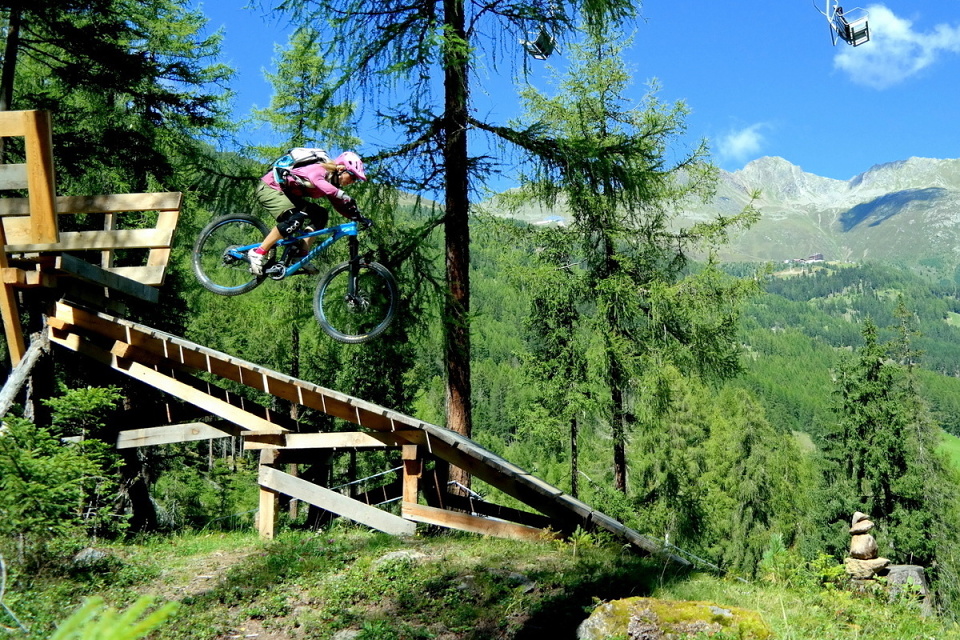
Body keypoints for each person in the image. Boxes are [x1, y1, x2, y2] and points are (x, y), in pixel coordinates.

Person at [248, 151, 367, 275]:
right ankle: (258, 252)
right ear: (342, 168)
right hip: (270, 188)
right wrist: (341, 194)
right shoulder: (320, 169)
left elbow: (340, 205)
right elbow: (316, 180)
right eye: (353, 176)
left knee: (320, 215)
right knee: (294, 220)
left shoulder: (332, 183)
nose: (353, 181)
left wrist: (358, 217)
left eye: (356, 179)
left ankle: (301, 255)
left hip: (288, 195)